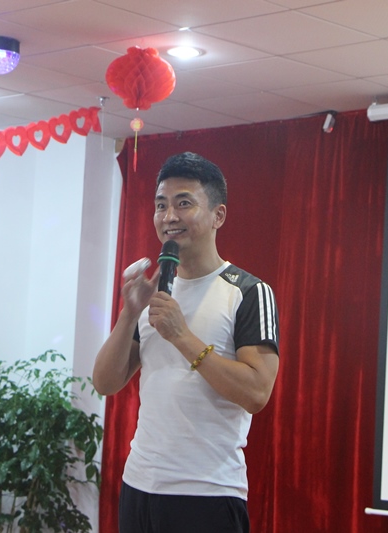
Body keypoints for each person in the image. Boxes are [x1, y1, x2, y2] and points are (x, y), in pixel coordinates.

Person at [92, 151, 280, 533]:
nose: (169, 217)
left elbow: (257, 393)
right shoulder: (154, 293)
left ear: (218, 216)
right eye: (161, 205)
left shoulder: (248, 292)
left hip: (206, 493)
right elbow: (105, 382)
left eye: (183, 204)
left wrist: (182, 337)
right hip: (139, 485)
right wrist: (129, 313)